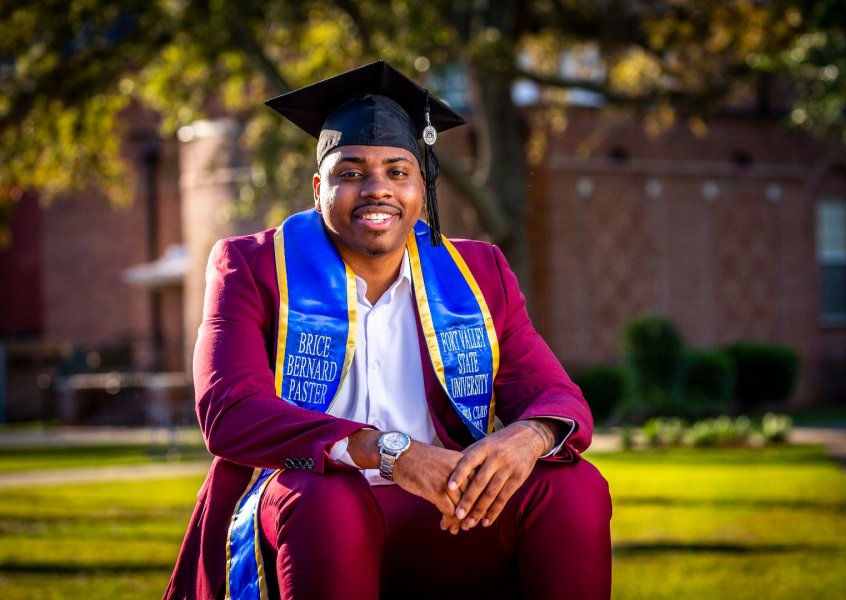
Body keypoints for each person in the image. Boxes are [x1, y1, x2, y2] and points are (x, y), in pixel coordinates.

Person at [164, 60, 612, 600]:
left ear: (421, 187)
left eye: (398, 171)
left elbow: (555, 394)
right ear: (317, 187)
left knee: (573, 486)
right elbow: (229, 411)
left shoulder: (477, 273)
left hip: (445, 512)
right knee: (333, 501)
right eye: (351, 172)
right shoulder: (253, 266)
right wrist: (389, 451)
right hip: (307, 510)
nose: (378, 189)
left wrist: (528, 436)